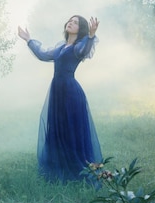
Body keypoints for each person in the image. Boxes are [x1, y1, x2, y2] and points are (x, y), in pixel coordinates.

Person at [17, 15, 103, 183]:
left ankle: (76, 168)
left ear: (81, 29)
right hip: (57, 92)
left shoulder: (79, 47)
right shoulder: (61, 47)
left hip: (71, 92)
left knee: (72, 129)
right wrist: (28, 40)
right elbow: (42, 54)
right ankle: (59, 166)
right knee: (58, 127)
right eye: (70, 20)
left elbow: (84, 51)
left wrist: (91, 36)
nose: (71, 23)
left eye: (76, 23)